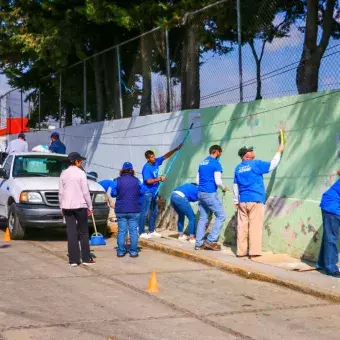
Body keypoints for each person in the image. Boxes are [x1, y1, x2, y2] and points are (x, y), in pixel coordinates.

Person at [233, 143, 284, 259]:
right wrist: (279, 151)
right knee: (255, 227)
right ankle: (254, 252)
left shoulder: (238, 168)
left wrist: (236, 200)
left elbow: (235, 185)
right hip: (255, 200)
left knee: (242, 227)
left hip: (243, 201)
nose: (252, 151)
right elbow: (272, 165)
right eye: (250, 150)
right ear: (246, 155)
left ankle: (241, 252)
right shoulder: (255, 164)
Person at [139, 144, 182, 239]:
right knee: (145, 212)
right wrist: (159, 179)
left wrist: (175, 149)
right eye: (151, 157)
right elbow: (148, 181)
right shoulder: (146, 168)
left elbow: (165, 156)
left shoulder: (156, 162)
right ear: (147, 158)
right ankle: (141, 232)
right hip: (147, 192)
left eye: (154, 156)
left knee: (154, 211)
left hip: (155, 191)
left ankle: (151, 230)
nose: (154, 158)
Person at [59, 152, 94, 267]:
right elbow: (85, 192)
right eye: (80, 160)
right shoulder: (81, 173)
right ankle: (86, 258)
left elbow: (61, 192)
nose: (81, 162)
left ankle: (73, 260)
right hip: (80, 205)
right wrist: (90, 206)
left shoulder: (63, 174)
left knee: (71, 232)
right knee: (83, 232)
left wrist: (61, 206)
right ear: (76, 162)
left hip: (67, 206)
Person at [195, 145, 228, 251]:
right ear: (217, 152)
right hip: (210, 193)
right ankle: (210, 241)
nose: (220, 156)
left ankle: (198, 243)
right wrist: (224, 188)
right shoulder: (216, 163)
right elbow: (218, 182)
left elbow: (197, 181)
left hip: (200, 192)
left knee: (203, 218)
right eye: (220, 153)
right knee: (221, 215)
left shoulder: (202, 163)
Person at [109, 162, 143, 258]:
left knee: (122, 231)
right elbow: (142, 191)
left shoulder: (117, 180)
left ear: (122, 170)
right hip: (134, 209)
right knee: (133, 231)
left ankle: (120, 251)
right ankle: (133, 252)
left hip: (121, 210)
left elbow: (113, 194)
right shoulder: (137, 181)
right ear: (132, 170)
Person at [317, 170, 340, 277]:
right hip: (332, 206)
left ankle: (322, 263)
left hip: (330, 204)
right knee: (331, 237)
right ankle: (331, 269)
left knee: (328, 236)